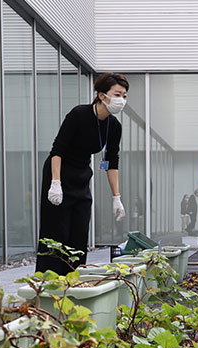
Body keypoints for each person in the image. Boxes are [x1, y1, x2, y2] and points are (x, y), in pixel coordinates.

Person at [36, 73, 128, 275]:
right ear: (102, 95)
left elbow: (112, 162)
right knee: (56, 231)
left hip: (81, 177)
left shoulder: (114, 126)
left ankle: (74, 279)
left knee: (79, 232)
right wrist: (55, 183)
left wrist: (116, 197)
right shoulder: (79, 114)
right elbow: (57, 151)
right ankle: (48, 281)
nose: (121, 100)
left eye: (124, 96)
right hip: (58, 174)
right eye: (117, 94)